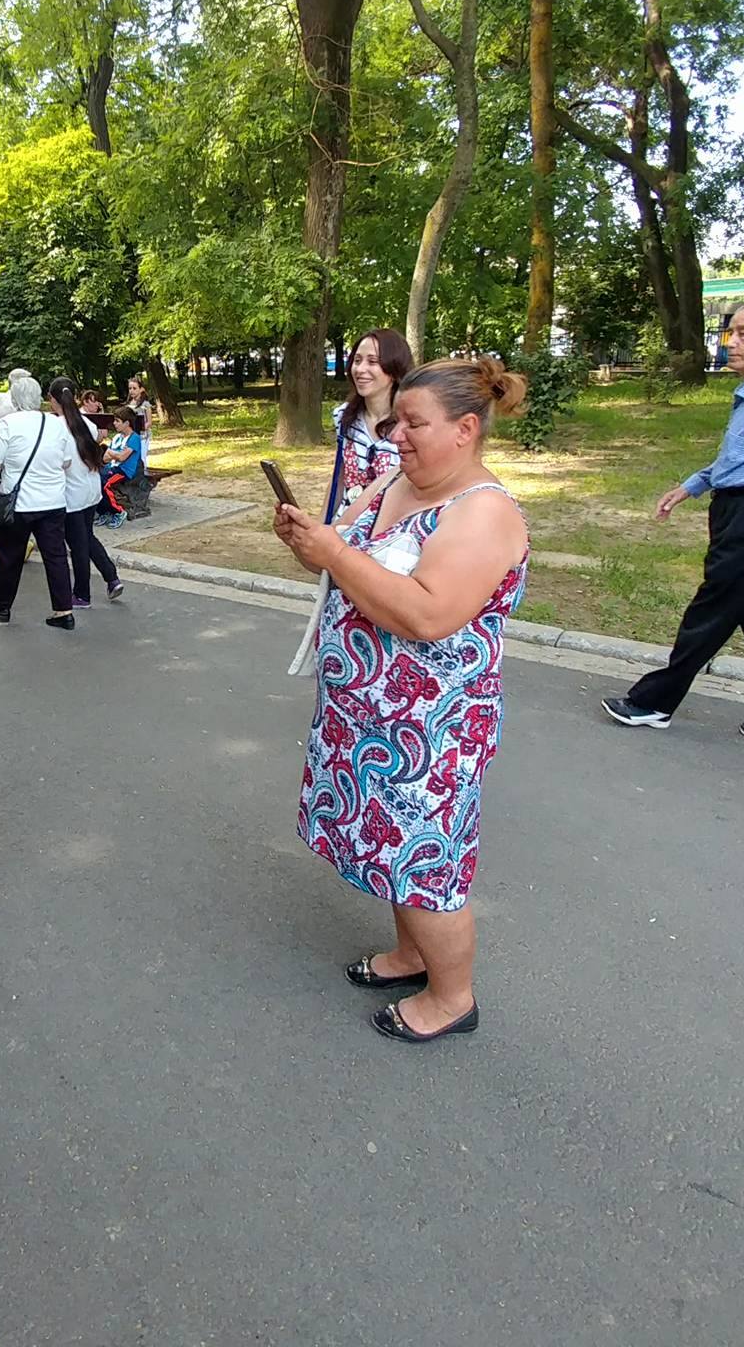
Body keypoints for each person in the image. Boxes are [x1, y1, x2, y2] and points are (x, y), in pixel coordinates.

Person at [276, 356, 530, 1045]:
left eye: (414, 424)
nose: (397, 437)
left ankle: (452, 999)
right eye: (396, 424)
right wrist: (307, 543)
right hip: (365, 720)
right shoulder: (396, 481)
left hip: (429, 733)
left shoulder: (483, 513)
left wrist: (333, 554)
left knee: (425, 863)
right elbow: (341, 558)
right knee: (392, 852)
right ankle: (412, 955)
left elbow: (426, 614)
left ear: (466, 429)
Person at [600, 301, 744, 754]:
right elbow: (743, 458)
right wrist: (692, 486)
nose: (732, 342)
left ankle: (653, 702)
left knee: (711, 612)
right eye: (731, 333)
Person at [0, 374, 78, 628]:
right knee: (56, 556)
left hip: (19, 504)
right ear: (39, 398)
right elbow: (66, 462)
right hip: (53, 501)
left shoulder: (8, 423)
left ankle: (1, 606)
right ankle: (63, 611)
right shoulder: (56, 424)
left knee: (9, 557)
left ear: (14, 399)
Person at [49, 376, 123, 608]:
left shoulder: (55, 427)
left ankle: (82, 594)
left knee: (78, 545)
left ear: (52, 399)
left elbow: (59, 462)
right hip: (91, 490)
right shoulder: (86, 423)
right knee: (86, 537)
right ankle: (111, 577)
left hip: (71, 494)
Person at [330, 329, 412, 517]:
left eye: (372, 361)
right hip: (343, 528)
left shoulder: (410, 427)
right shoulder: (344, 417)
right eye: (357, 360)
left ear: (394, 369)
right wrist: (321, 526)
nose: (360, 369)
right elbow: (339, 480)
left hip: (389, 528)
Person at [100, 405, 145, 527]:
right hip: (111, 468)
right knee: (94, 480)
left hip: (124, 471)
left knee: (104, 483)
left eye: (117, 421)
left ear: (127, 423)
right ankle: (104, 512)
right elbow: (105, 458)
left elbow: (122, 458)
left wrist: (111, 453)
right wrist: (115, 454)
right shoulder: (116, 438)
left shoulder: (134, 438)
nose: (114, 424)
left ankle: (119, 511)